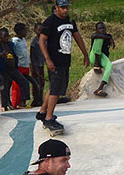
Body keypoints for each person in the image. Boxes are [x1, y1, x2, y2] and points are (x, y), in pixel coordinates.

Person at [38, 0, 90, 133]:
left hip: (65, 60)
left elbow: (77, 37)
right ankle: (49, 118)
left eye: (67, 7)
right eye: (62, 8)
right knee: (55, 90)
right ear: (56, 8)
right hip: (54, 61)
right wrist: (48, 59)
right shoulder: (50, 22)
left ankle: (43, 112)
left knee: (55, 87)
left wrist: (85, 54)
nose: (65, 10)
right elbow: (42, 41)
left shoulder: (69, 20)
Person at [0, 28, 33, 111]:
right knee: (5, 88)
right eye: (4, 36)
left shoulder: (11, 44)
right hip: (4, 70)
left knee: (24, 82)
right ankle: (4, 106)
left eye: (7, 36)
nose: (6, 38)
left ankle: (22, 102)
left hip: (13, 68)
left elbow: (15, 53)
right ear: (0, 37)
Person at [12, 23, 40, 108]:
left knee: (25, 84)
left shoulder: (23, 40)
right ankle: (15, 104)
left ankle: (23, 102)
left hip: (25, 65)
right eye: (24, 30)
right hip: (19, 65)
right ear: (19, 31)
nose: (26, 32)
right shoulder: (14, 41)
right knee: (17, 86)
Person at [89, 21, 116, 97]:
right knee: (99, 38)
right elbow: (95, 36)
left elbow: (107, 36)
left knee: (109, 66)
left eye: (104, 28)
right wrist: (110, 38)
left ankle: (100, 88)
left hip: (102, 57)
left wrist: (110, 37)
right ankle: (96, 65)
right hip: (94, 56)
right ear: (96, 30)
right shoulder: (95, 35)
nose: (102, 30)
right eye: (100, 28)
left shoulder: (108, 36)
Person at [29, 23, 47, 108]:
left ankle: (40, 98)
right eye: (39, 30)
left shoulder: (44, 40)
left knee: (42, 82)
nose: (40, 32)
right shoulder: (34, 41)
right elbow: (32, 54)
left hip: (41, 64)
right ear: (35, 30)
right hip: (35, 64)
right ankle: (35, 99)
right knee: (36, 83)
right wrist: (33, 66)